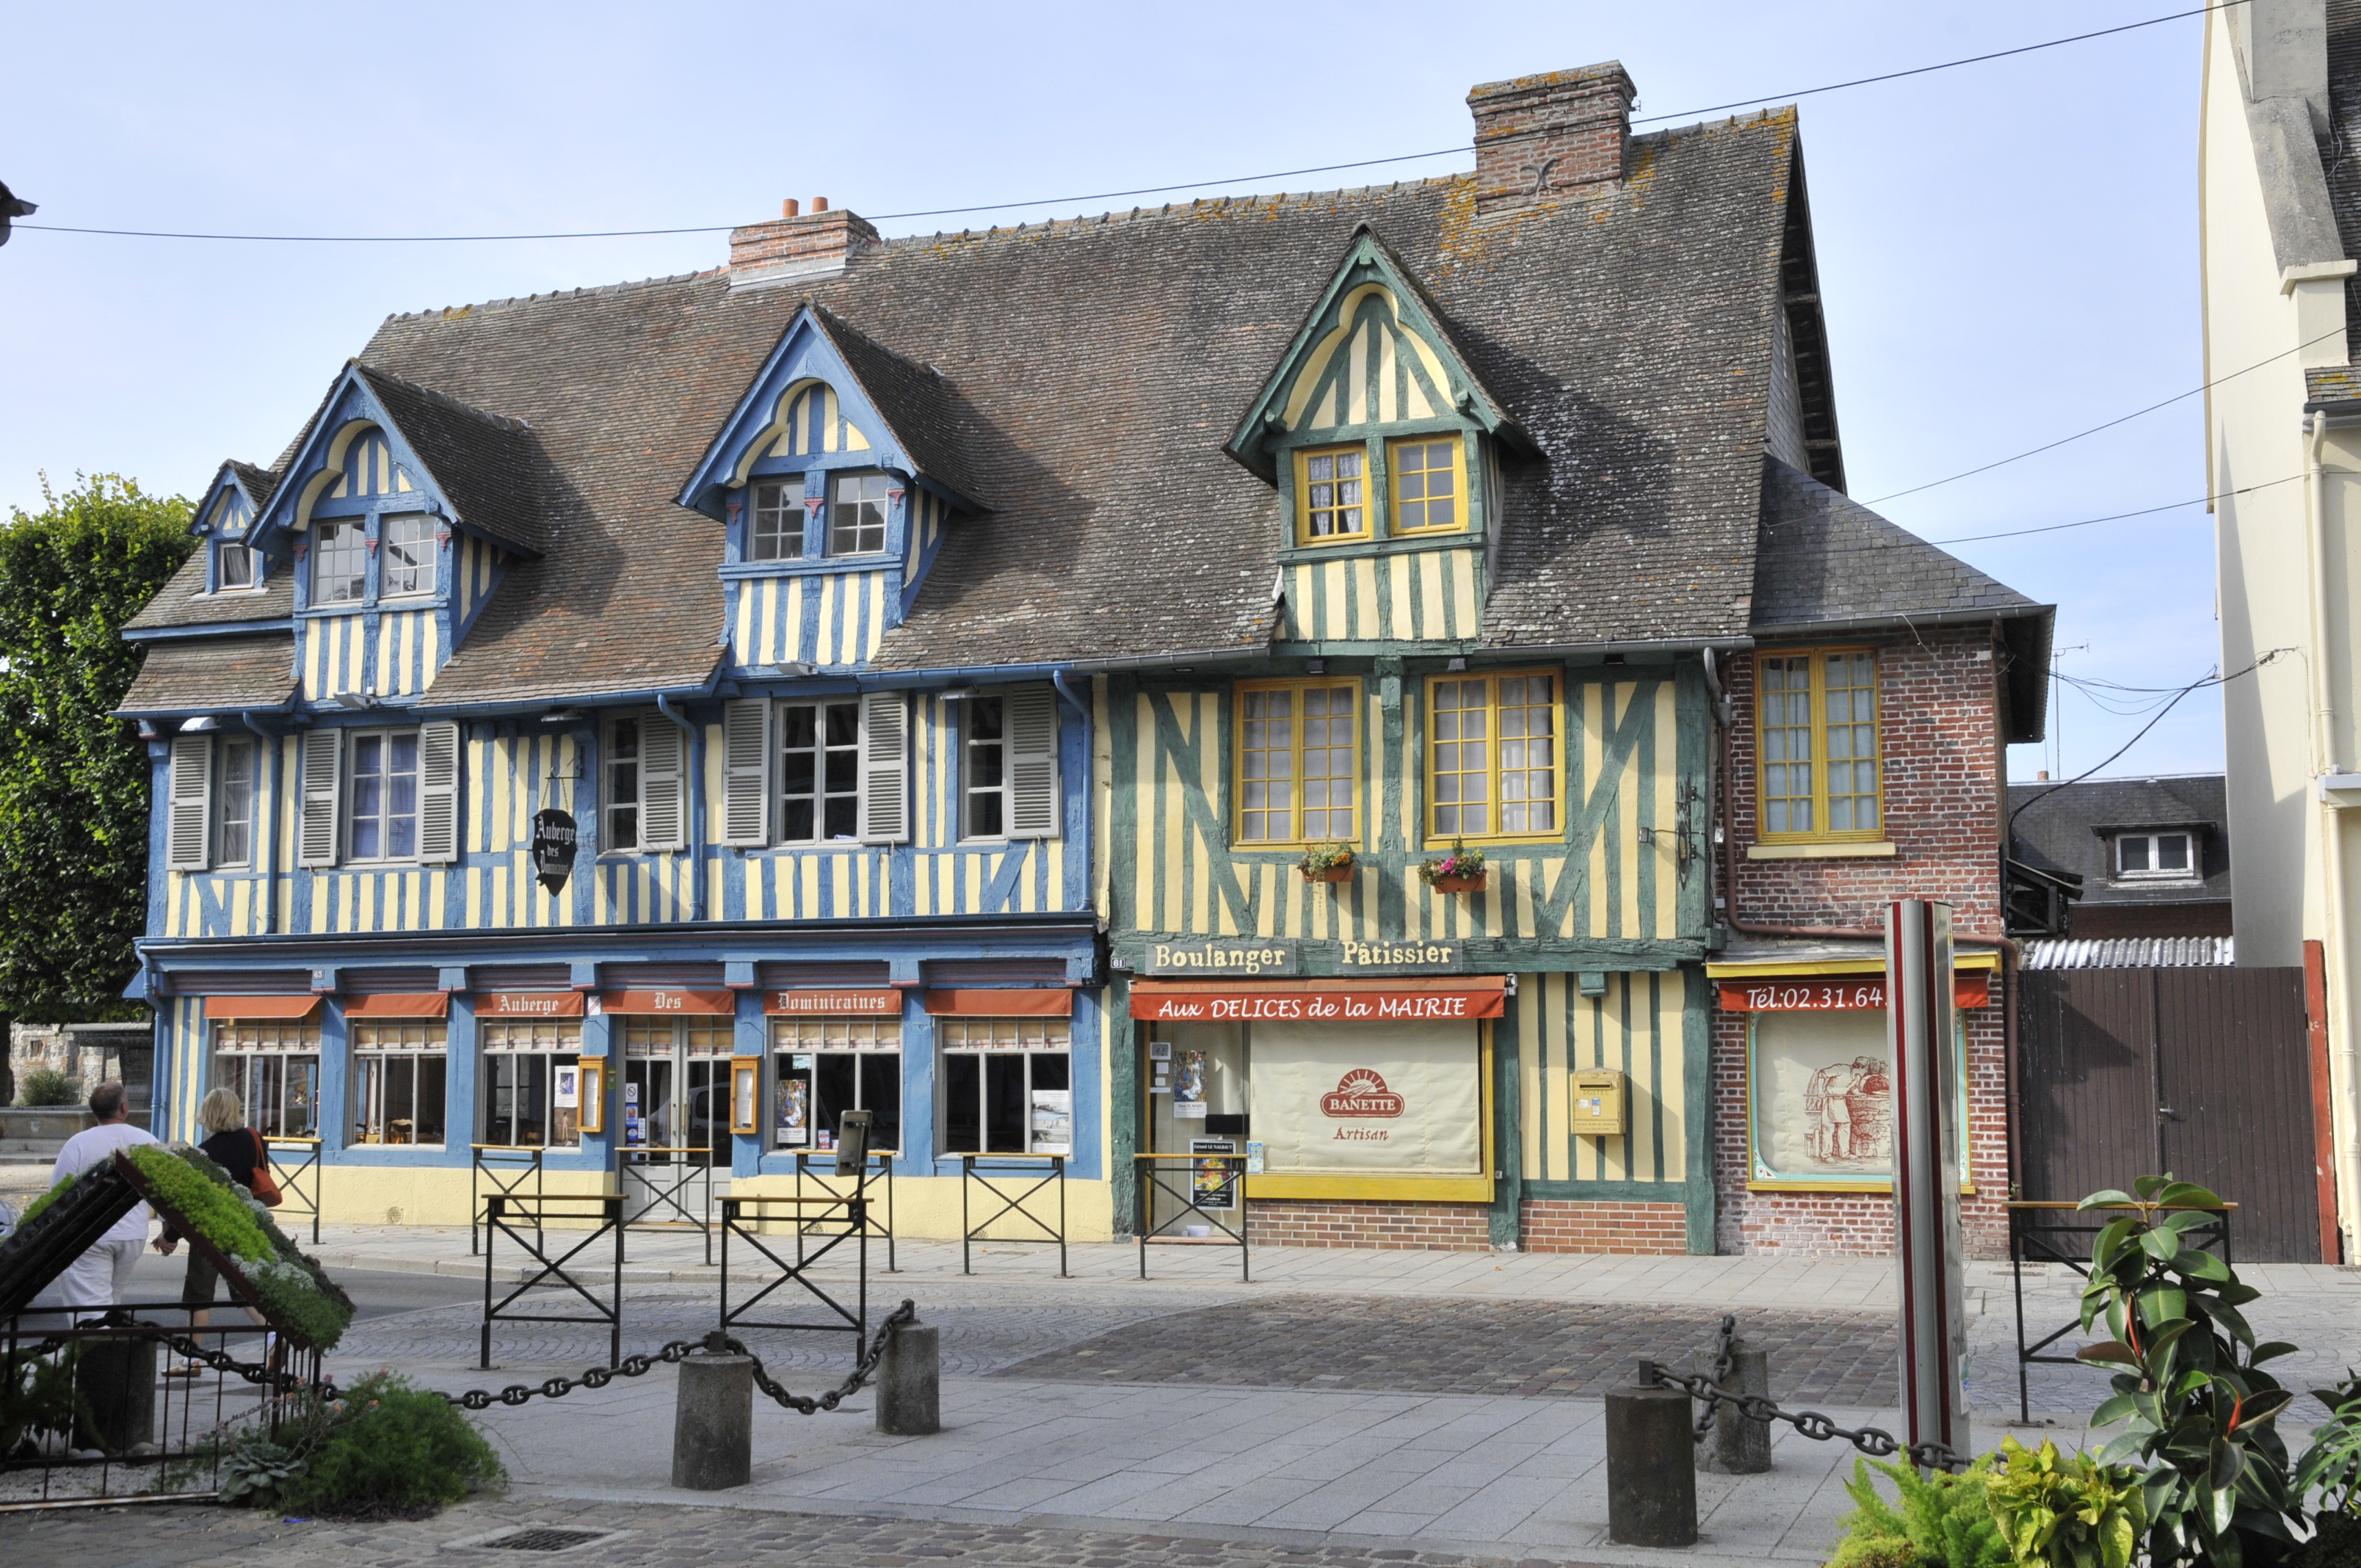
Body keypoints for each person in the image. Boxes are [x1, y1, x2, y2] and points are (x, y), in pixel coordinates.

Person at [156, 1087, 268, 1375]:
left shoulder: (205, 1153)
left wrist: (170, 1237)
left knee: (199, 1294)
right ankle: (273, 1332)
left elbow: (194, 1204)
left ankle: (191, 1359)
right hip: (245, 1224)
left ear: (208, 1113)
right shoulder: (254, 1139)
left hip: (211, 1230)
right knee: (243, 1288)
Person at [46, 1079, 160, 1312]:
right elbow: (162, 1189)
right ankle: (107, 1344)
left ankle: (94, 1345)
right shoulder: (148, 1140)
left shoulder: (78, 1143)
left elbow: (58, 1193)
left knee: (89, 1304)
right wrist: (168, 1230)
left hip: (90, 1234)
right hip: (132, 1235)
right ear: (124, 1108)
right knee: (112, 1297)